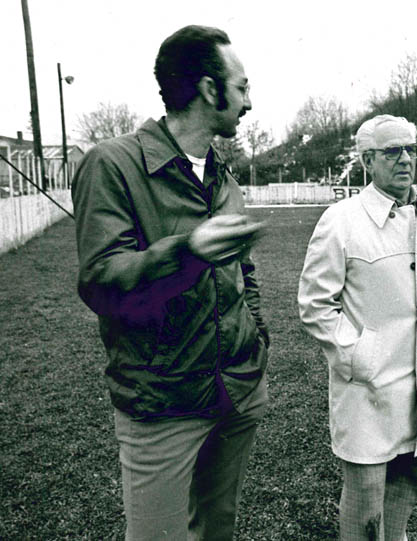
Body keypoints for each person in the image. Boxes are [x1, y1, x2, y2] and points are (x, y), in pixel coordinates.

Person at [71, 25, 270, 540]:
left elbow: (242, 271)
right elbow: (101, 283)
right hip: (162, 404)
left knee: (217, 531)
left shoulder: (221, 174)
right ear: (209, 90)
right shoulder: (112, 164)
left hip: (238, 391)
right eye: (243, 87)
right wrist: (187, 252)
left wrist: (257, 340)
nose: (249, 101)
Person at [298, 114, 417, 541]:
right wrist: (359, 355)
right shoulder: (341, 220)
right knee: (366, 498)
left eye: (411, 149)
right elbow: (316, 304)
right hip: (368, 389)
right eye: (393, 151)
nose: (405, 159)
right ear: (368, 160)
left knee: (406, 484)